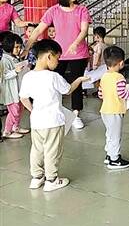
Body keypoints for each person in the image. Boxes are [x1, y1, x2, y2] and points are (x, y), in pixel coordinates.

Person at [19, 39, 88, 191]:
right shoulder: (53, 77)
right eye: (57, 58)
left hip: (36, 121)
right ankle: (52, 180)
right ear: (49, 56)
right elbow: (68, 90)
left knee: (37, 150)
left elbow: (23, 98)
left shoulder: (28, 76)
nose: (58, 62)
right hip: (53, 122)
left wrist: (33, 110)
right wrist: (79, 79)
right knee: (52, 151)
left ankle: (37, 177)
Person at [24, 0, 91, 130]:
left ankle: (75, 114)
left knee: (76, 84)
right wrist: (27, 47)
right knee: (52, 83)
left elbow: (84, 30)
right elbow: (38, 29)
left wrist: (75, 43)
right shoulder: (53, 11)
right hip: (57, 55)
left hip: (78, 54)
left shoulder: (82, 10)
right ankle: (55, 110)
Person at [98, 46, 129, 170]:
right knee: (115, 136)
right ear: (121, 63)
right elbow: (122, 94)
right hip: (115, 111)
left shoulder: (104, 76)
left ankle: (109, 154)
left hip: (105, 110)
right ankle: (114, 159)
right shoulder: (119, 78)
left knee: (109, 133)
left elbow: (100, 94)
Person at [1, 33, 28, 139]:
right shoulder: (4, 60)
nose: (19, 49)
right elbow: (4, 75)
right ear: (9, 46)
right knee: (14, 111)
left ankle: (16, 127)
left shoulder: (14, 58)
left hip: (18, 89)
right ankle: (7, 131)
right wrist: (15, 71)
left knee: (20, 109)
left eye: (20, 47)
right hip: (10, 91)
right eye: (16, 47)